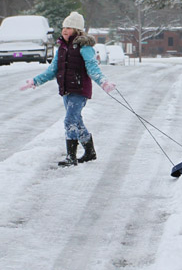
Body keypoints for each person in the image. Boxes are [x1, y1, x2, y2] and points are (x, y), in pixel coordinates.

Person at [20, 11, 116, 167]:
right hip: (66, 90)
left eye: (69, 27)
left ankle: (71, 157)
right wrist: (35, 81)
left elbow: (92, 68)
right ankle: (90, 152)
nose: (65, 30)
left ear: (77, 31)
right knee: (77, 121)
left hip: (79, 90)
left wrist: (103, 82)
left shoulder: (85, 47)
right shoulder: (62, 49)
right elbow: (52, 70)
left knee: (70, 120)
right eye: (64, 27)